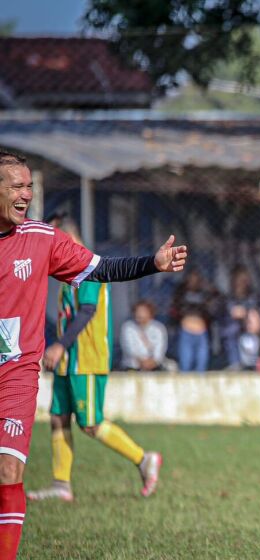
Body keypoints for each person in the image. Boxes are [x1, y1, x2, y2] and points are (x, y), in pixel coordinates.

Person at [0, 149, 186, 560]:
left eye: (29, 186)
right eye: (17, 186)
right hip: (57, 361)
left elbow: (102, 270)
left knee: (11, 470)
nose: (26, 194)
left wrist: (152, 264)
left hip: (19, 373)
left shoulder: (43, 240)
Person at [26, 220, 162, 503]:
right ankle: (61, 484)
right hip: (69, 359)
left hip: (85, 358)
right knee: (58, 418)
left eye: (51, 234)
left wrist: (59, 346)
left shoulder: (86, 265)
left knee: (90, 423)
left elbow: (87, 310)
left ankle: (143, 458)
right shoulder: (65, 267)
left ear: (66, 235)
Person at [170, 268, 216, 372]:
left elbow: (212, 309)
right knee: (185, 364)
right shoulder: (181, 292)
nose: (193, 281)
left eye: (196, 278)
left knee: (201, 365)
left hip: (201, 332)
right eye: (190, 278)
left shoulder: (205, 293)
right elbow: (175, 309)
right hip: (186, 331)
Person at [219, 265, 260, 370]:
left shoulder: (252, 297)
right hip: (232, 336)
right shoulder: (227, 298)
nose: (242, 283)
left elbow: (256, 316)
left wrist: (250, 315)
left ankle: (250, 367)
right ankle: (235, 366)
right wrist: (246, 313)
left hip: (249, 335)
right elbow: (233, 312)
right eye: (239, 279)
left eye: (244, 280)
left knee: (250, 340)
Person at [120, 300, 169, 371]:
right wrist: (142, 361)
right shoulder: (128, 327)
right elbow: (129, 348)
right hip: (133, 365)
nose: (139, 314)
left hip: (154, 366)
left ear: (150, 313)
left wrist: (153, 362)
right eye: (137, 311)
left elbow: (160, 349)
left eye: (143, 311)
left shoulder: (158, 328)